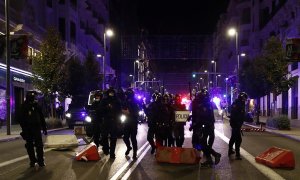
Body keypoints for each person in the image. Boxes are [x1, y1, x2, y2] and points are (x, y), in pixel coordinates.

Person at [191, 89, 221, 168]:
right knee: (202, 144)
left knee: (202, 144)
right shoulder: (208, 104)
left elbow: (201, 117)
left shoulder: (204, 105)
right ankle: (210, 160)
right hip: (208, 126)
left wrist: (194, 125)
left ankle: (215, 155)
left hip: (205, 126)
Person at [16, 91, 47, 167]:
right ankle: (32, 161)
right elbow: (20, 118)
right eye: (32, 97)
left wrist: (44, 127)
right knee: (29, 145)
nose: (34, 98)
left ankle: (41, 161)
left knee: (39, 145)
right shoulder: (23, 106)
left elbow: (41, 117)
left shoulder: (36, 106)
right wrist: (24, 128)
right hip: (28, 129)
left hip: (36, 128)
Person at [97, 88, 122, 159]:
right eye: (110, 92)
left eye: (112, 92)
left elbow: (119, 111)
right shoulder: (104, 100)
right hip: (106, 121)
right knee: (104, 136)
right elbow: (100, 109)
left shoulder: (117, 101)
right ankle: (106, 149)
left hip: (114, 121)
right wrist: (106, 107)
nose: (111, 94)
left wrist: (119, 121)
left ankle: (112, 153)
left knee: (113, 138)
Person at [228, 92, 248, 160]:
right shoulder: (237, 104)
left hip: (237, 124)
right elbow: (235, 115)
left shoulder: (240, 103)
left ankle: (230, 150)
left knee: (233, 138)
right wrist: (236, 124)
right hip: (235, 124)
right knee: (238, 139)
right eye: (244, 98)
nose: (245, 100)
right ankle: (237, 154)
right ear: (242, 98)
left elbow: (241, 115)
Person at [122, 88, 140, 159]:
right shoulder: (125, 101)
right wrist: (123, 111)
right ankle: (129, 147)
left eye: (129, 94)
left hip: (133, 122)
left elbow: (137, 112)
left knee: (133, 138)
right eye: (127, 94)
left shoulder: (135, 102)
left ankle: (135, 152)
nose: (128, 95)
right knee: (125, 137)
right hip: (126, 122)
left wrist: (130, 113)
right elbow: (122, 108)